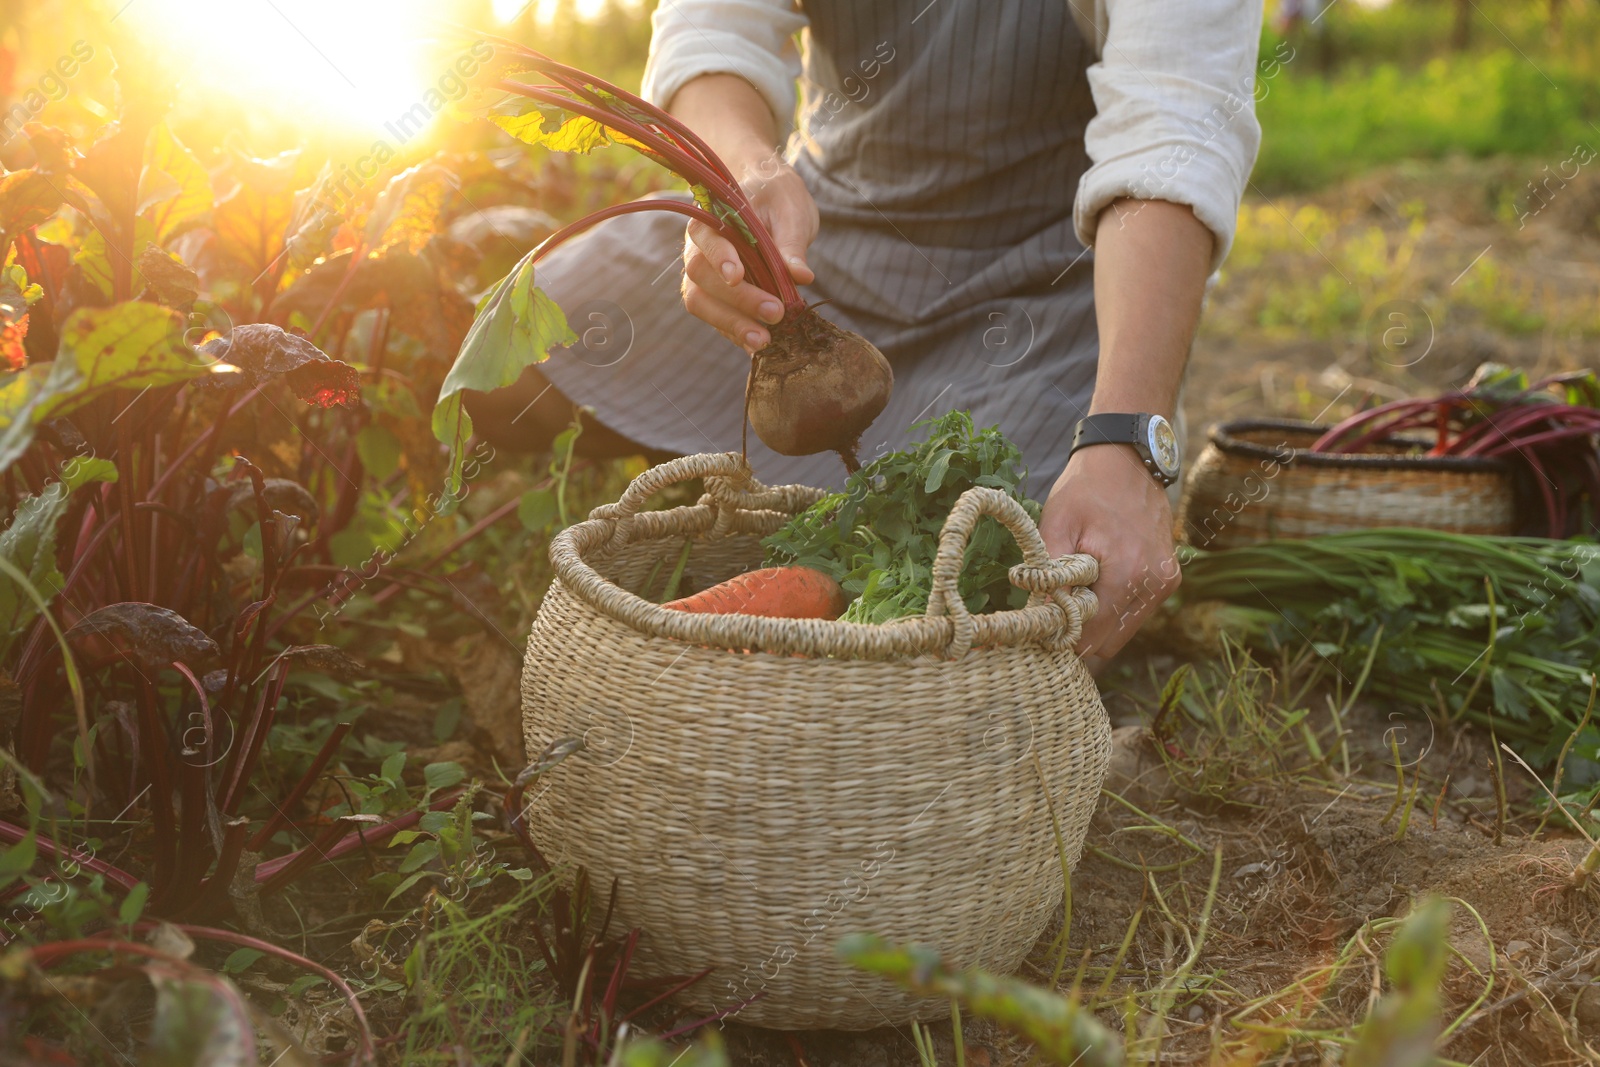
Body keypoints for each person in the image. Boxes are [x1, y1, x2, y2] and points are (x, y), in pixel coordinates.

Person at [466, 0, 1262, 670]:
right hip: (818, 242)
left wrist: (1125, 438)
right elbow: (715, 29)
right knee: (505, 379)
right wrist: (745, 169)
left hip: (1048, 290)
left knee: (996, 588)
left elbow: (1176, 128)